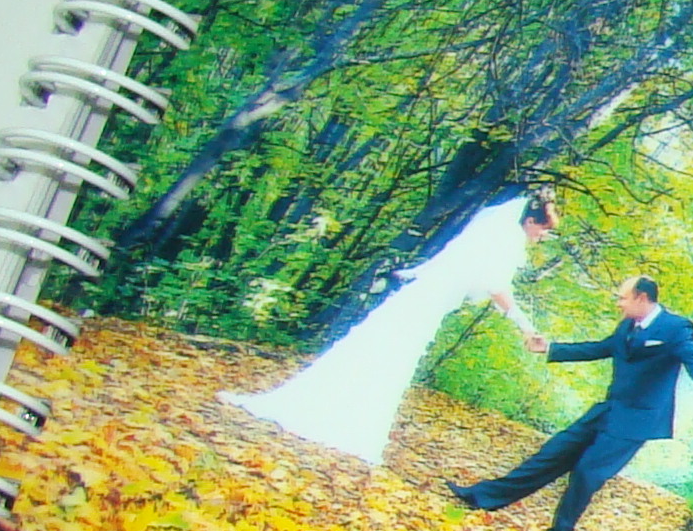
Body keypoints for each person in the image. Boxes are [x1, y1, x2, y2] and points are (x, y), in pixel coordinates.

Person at [223, 196, 551, 465]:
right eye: (544, 229)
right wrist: (526, 327)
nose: (543, 236)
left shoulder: (501, 239)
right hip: (424, 304)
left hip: (426, 302)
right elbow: (496, 288)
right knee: (386, 357)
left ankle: (343, 416)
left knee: (382, 356)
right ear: (529, 221)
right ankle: (339, 421)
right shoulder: (505, 240)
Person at [452, 275, 693, 531]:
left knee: (587, 472)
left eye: (623, 298)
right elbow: (600, 348)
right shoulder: (627, 326)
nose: (619, 303)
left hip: (637, 421)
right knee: (552, 454)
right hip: (608, 410)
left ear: (641, 298)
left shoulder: (675, 328)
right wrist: (550, 348)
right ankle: (482, 497)